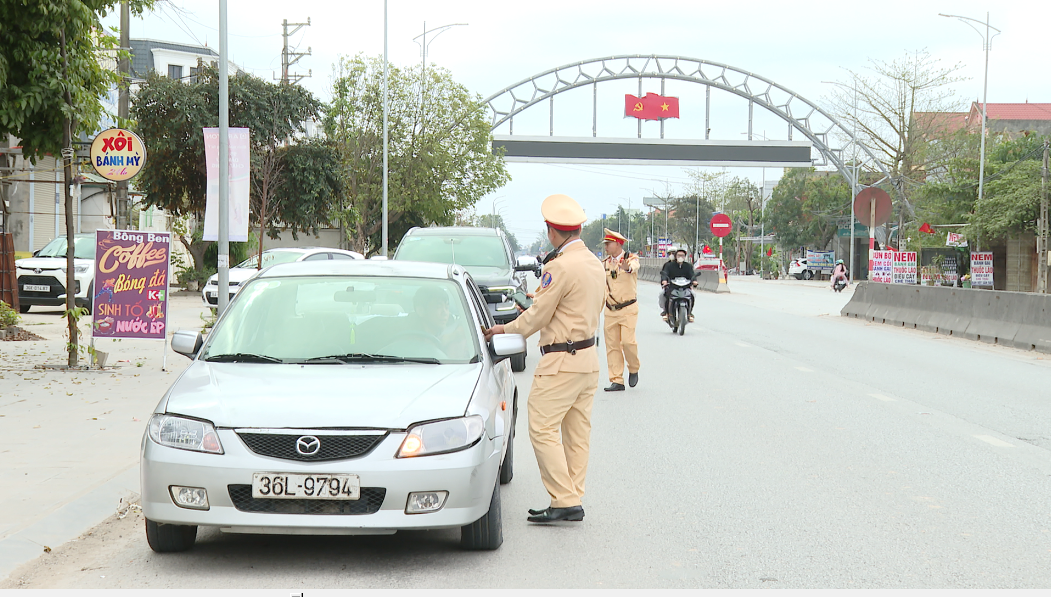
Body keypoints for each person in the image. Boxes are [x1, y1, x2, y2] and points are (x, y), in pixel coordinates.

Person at [484, 194, 605, 524]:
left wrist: (504, 328)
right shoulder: (595, 263)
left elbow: (537, 317)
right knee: (577, 433)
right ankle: (573, 496)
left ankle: (564, 499)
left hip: (561, 361)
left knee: (541, 427)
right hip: (588, 359)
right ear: (577, 230)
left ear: (553, 232)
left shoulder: (559, 267)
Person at [600, 229, 640, 392]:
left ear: (617, 244)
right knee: (612, 346)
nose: (606, 247)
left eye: (608, 244)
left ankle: (634, 367)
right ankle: (617, 380)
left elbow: (633, 267)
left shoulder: (631, 259)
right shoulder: (604, 263)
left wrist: (626, 267)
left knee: (628, 342)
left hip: (628, 308)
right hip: (610, 310)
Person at [660, 248, 698, 322]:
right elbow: (665, 273)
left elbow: (692, 275)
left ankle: (689, 313)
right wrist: (664, 281)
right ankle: (666, 312)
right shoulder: (669, 265)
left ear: (685, 257)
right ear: (676, 256)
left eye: (682, 255)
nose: (680, 257)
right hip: (672, 286)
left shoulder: (688, 266)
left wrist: (694, 281)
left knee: (693, 294)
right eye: (679, 255)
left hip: (685, 287)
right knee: (662, 294)